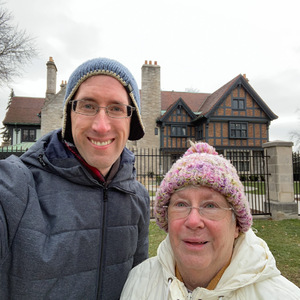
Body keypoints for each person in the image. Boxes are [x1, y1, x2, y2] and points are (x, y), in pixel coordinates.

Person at [0, 57, 150, 299]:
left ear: (131, 121)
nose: (102, 126)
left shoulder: (138, 198)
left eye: (116, 108)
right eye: (88, 106)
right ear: (69, 115)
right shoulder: (16, 186)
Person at [121, 141, 300, 300]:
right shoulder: (139, 281)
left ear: (237, 225)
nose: (193, 221)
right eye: (181, 204)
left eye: (211, 206)